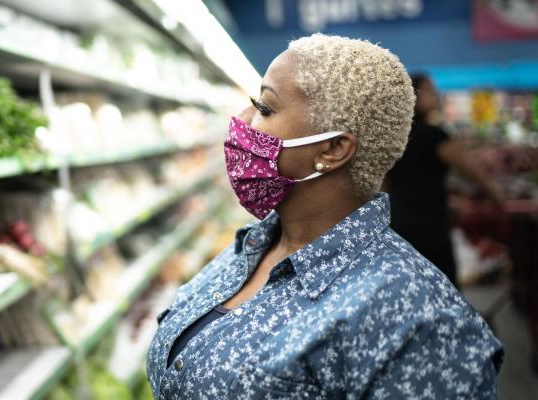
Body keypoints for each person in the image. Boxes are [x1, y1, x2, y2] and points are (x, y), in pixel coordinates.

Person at [146, 34, 503, 399]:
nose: (241, 121)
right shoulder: (251, 247)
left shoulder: (417, 319)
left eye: (264, 108)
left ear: (333, 149)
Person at [386, 74, 505, 288]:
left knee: (411, 284)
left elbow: (384, 182)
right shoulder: (434, 136)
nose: (436, 95)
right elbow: (470, 169)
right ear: (414, 97)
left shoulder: (392, 137)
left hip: (399, 221)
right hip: (429, 222)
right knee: (442, 283)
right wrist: (496, 193)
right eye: (430, 90)